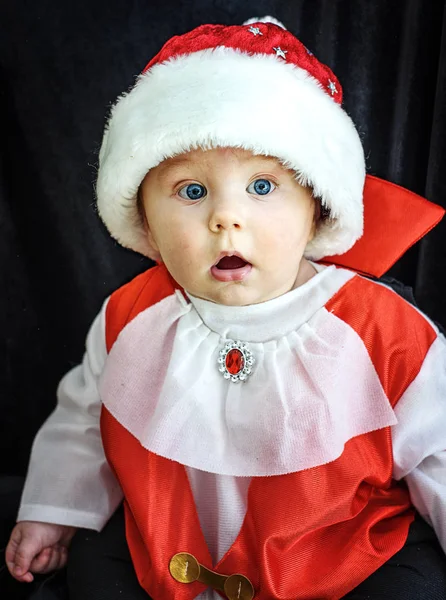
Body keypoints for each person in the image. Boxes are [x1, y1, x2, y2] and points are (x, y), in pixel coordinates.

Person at [5, 15, 446, 600]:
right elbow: (85, 419)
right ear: (145, 226)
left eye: (262, 187)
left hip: (334, 555)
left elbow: (439, 450)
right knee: (96, 572)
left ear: (315, 208)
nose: (225, 217)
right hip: (170, 543)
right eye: (192, 191)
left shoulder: (386, 331)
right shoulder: (130, 315)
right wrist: (53, 511)